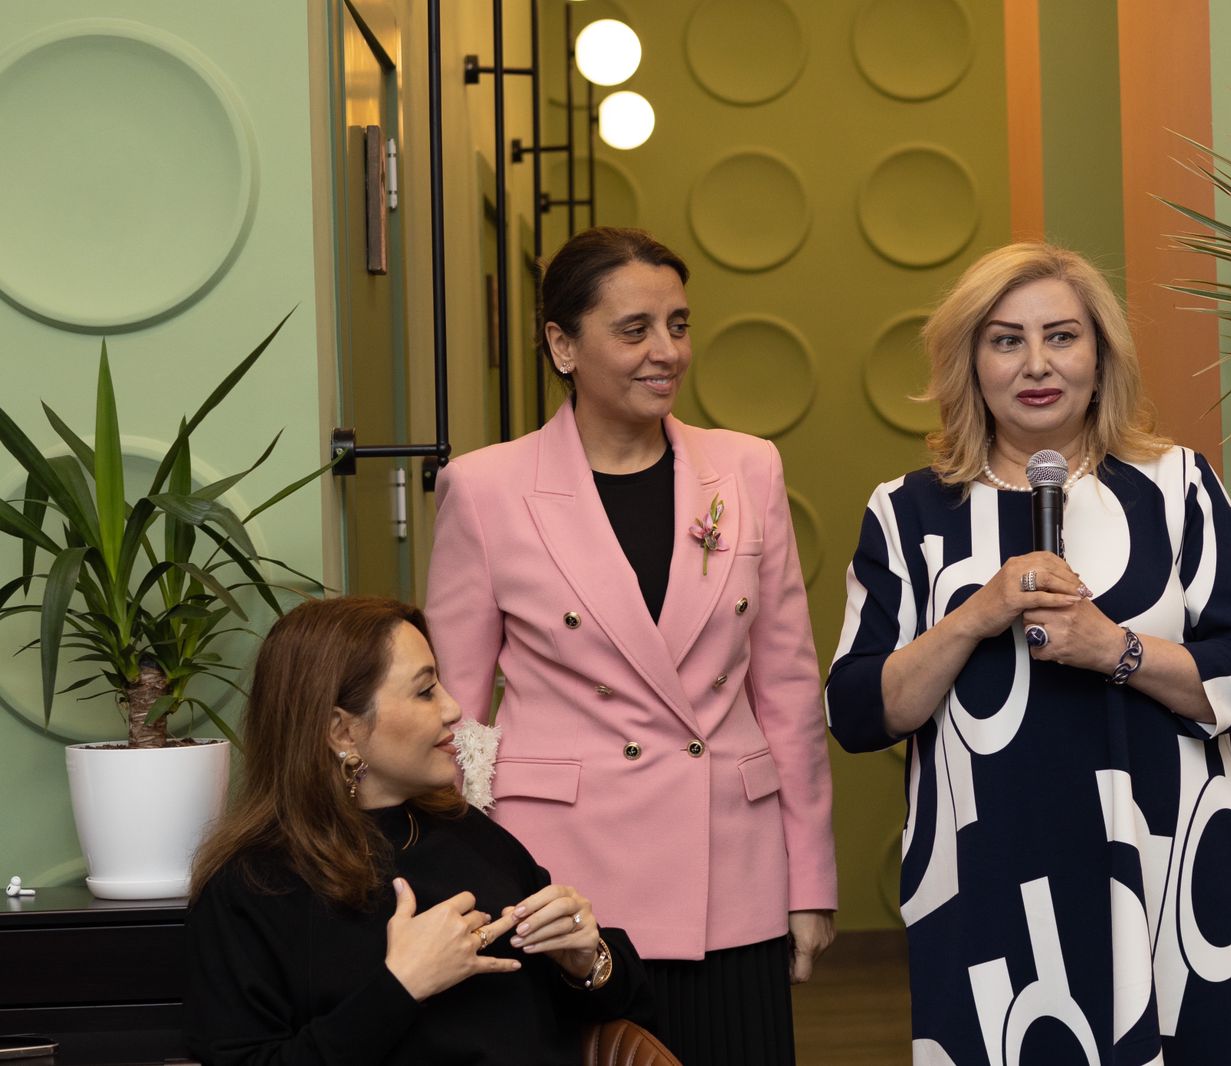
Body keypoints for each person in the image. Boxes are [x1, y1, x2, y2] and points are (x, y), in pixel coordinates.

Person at [826, 242, 1231, 1065]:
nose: (1036, 364)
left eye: (1062, 336)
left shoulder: (1177, 487)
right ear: (968, 363)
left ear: (1100, 355)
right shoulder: (907, 512)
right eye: (1005, 340)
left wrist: (1115, 648)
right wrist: (977, 616)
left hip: (1167, 875)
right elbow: (861, 711)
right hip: (991, 890)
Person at [426, 226, 837, 1065]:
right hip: (562, 891)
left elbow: (789, 691)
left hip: (734, 874)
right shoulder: (486, 488)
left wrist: (809, 883)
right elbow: (455, 721)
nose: (666, 352)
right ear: (561, 343)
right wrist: (465, 892)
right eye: (635, 329)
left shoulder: (747, 469)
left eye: (679, 325)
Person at [186, 596, 649, 1066]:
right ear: (341, 732)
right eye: (425, 691)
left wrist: (588, 961)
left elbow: (606, 1005)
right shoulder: (251, 886)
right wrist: (401, 987)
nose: (452, 709)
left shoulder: (470, 833)